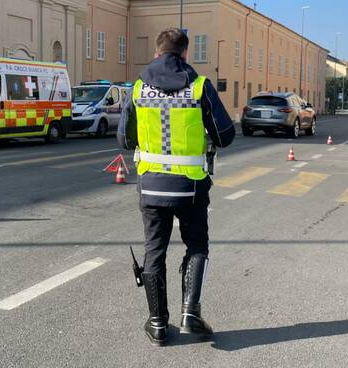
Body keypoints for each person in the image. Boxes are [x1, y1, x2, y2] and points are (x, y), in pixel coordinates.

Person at [118, 28, 235, 346]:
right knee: (197, 245)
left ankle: (157, 324)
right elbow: (225, 135)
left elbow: (124, 139)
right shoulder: (200, 87)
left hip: (151, 187)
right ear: (185, 55)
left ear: (156, 53)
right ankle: (190, 317)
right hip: (191, 188)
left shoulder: (139, 87)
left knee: (154, 251)